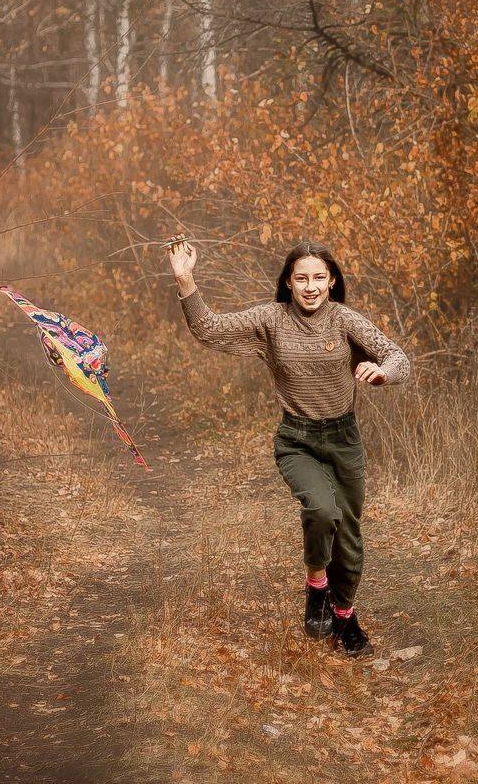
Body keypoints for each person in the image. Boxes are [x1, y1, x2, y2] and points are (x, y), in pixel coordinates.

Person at [165, 237, 411, 657]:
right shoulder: (271, 320)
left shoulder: (345, 320)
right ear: (289, 283)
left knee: (349, 540)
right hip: (297, 440)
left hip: (343, 440)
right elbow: (208, 329)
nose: (311, 286)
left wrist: (381, 371)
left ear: (332, 281)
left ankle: (345, 617)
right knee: (321, 509)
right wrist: (185, 278)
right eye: (302, 278)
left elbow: (398, 357)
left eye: (319, 277)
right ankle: (317, 587)